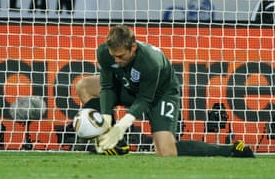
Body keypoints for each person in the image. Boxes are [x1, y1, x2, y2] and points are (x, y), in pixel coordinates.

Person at [75, 25, 254, 157]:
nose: (116, 59)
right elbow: (107, 87)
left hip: (160, 94)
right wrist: (107, 121)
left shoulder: (150, 62)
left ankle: (230, 149)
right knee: (85, 86)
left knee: (166, 151)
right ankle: (117, 145)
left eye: (121, 56)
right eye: (114, 55)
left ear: (133, 47)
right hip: (128, 86)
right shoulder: (105, 53)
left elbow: (145, 99)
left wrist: (121, 126)